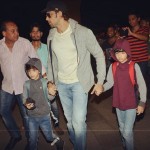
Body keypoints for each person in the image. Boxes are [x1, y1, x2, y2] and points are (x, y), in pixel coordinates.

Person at [42, 0, 106, 150]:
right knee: (70, 122)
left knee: (78, 122)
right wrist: (51, 82)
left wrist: (100, 81)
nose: (46, 18)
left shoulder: (83, 32)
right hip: (62, 85)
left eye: (49, 15)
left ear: (58, 14)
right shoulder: (51, 35)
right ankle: (77, 143)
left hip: (79, 83)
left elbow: (99, 55)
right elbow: (51, 61)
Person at [0, 20, 40, 150]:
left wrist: (43, 78)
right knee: (4, 111)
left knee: (26, 116)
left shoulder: (24, 43)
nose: (16, 33)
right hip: (7, 86)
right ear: (4, 33)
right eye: (13, 31)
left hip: (23, 86)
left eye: (17, 30)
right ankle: (15, 135)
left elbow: (35, 60)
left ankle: (31, 142)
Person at [102, 39, 147, 150]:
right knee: (122, 128)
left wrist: (142, 102)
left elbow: (142, 85)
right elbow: (110, 82)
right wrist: (101, 88)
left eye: (123, 53)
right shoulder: (113, 67)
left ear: (127, 52)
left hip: (131, 103)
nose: (120, 56)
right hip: (118, 102)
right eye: (117, 53)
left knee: (127, 132)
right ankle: (125, 144)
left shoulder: (134, 66)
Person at [29, 23, 64, 135]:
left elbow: (53, 65)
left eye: (37, 31)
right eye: (33, 32)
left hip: (47, 80)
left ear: (41, 33)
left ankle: (56, 124)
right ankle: (30, 124)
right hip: (32, 82)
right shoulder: (26, 48)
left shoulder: (47, 48)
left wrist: (52, 81)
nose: (35, 34)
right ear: (30, 34)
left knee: (53, 104)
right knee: (31, 104)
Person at [23, 58, 64, 150]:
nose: (31, 73)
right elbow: (24, 98)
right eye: (29, 71)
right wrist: (26, 103)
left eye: (34, 70)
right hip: (32, 116)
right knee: (32, 139)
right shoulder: (26, 84)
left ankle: (59, 141)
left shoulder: (45, 83)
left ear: (39, 70)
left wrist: (52, 93)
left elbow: (50, 98)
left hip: (44, 116)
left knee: (49, 137)